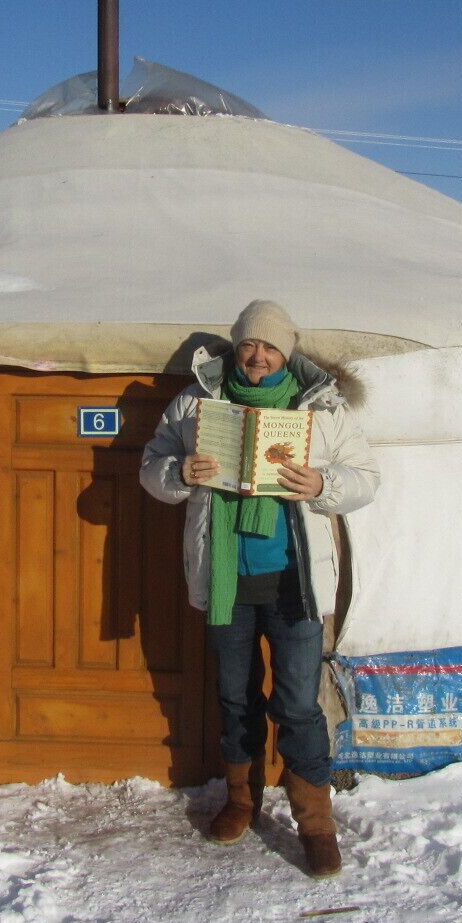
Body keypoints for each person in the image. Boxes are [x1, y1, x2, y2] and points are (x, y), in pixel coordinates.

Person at [140, 300, 380, 879]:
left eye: (270, 346)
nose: (258, 356)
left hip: (294, 581)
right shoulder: (198, 401)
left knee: (298, 704)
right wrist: (180, 474)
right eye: (249, 345)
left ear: (288, 351)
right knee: (234, 697)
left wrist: (322, 483)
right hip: (227, 578)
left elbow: (366, 478)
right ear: (235, 346)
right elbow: (153, 465)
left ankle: (315, 823)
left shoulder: (322, 408)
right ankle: (242, 801)